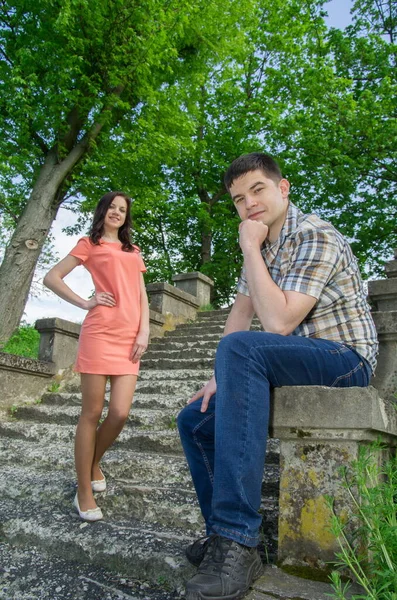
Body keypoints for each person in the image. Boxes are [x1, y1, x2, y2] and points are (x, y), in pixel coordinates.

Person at [177, 153, 378, 600]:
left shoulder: (315, 234)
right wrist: (218, 377)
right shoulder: (264, 246)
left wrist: (249, 247)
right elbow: (241, 313)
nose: (248, 204)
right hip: (291, 358)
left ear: (283, 188)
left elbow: (279, 323)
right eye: (238, 199)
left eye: (258, 190)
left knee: (242, 348)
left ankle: (238, 539)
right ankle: (221, 541)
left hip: (344, 358)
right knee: (195, 420)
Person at [44, 191, 149, 522]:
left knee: (119, 412)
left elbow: (141, 293)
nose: (117, 212)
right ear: (102, 211)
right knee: (91, 413)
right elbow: (52, 277)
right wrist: (86, 302)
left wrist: (143, 332)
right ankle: (83, 490)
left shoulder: (132, 250)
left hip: (129, 338)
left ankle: (91, 463)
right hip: (99, 334)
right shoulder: (88, 244)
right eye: (112, 207)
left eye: (123, 209)